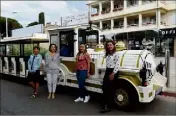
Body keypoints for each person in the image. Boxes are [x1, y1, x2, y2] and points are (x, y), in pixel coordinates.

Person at [100, 40, 120, 113]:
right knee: (104, 88)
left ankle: (108, 106)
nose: (109, 46)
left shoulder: (116, 54)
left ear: (113, 45)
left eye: (111, 45)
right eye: (108, 45)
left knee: (110, 89)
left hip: (113, 72)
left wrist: (113, 74)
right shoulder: (107, 54)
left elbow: (117, 65)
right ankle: (105, 104)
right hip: (107, 71)